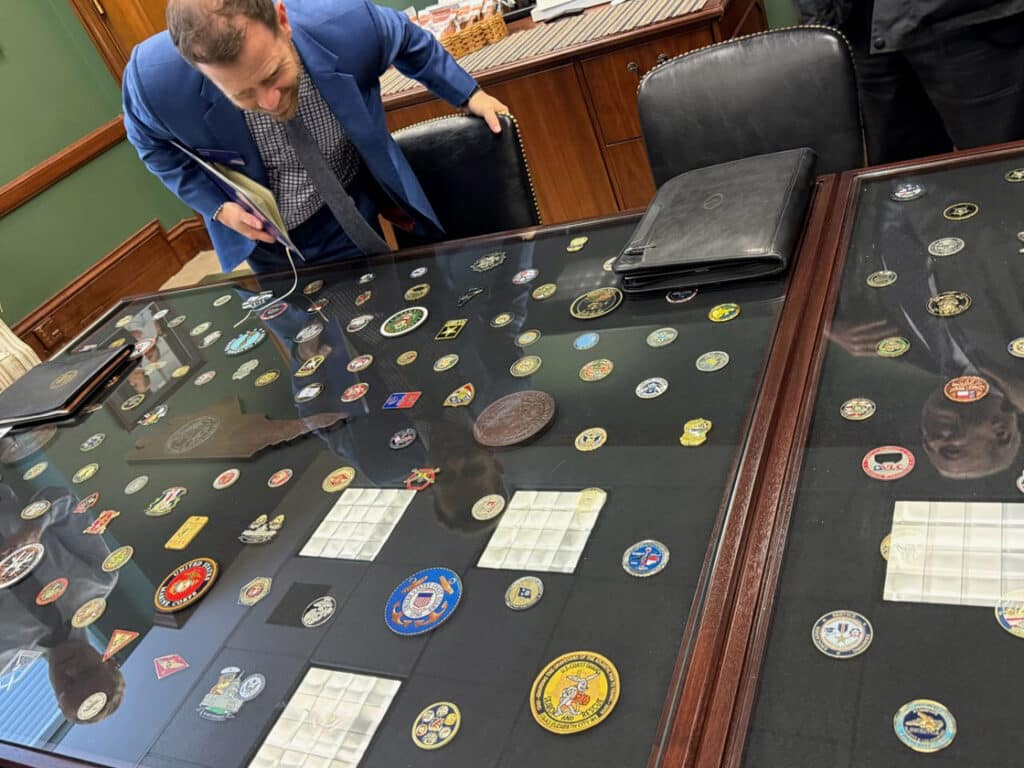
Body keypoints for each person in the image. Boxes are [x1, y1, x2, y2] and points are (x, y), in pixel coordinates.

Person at [122, 0, 509, 274]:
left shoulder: (345, 20)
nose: (269, 102)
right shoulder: (154, 81)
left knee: (384, 323)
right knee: (315, 364)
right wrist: (218, 208)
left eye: (272, 73)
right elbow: (150, 145)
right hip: (270, 240)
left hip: (350, 202)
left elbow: (409, 40)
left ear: (282, 20)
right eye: (242, 94)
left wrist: (469, 93)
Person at [794, 0, 1024, 164]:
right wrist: (818, 14)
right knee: (899, 189)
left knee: (999, 167)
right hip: (866, 27)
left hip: (964, 18)